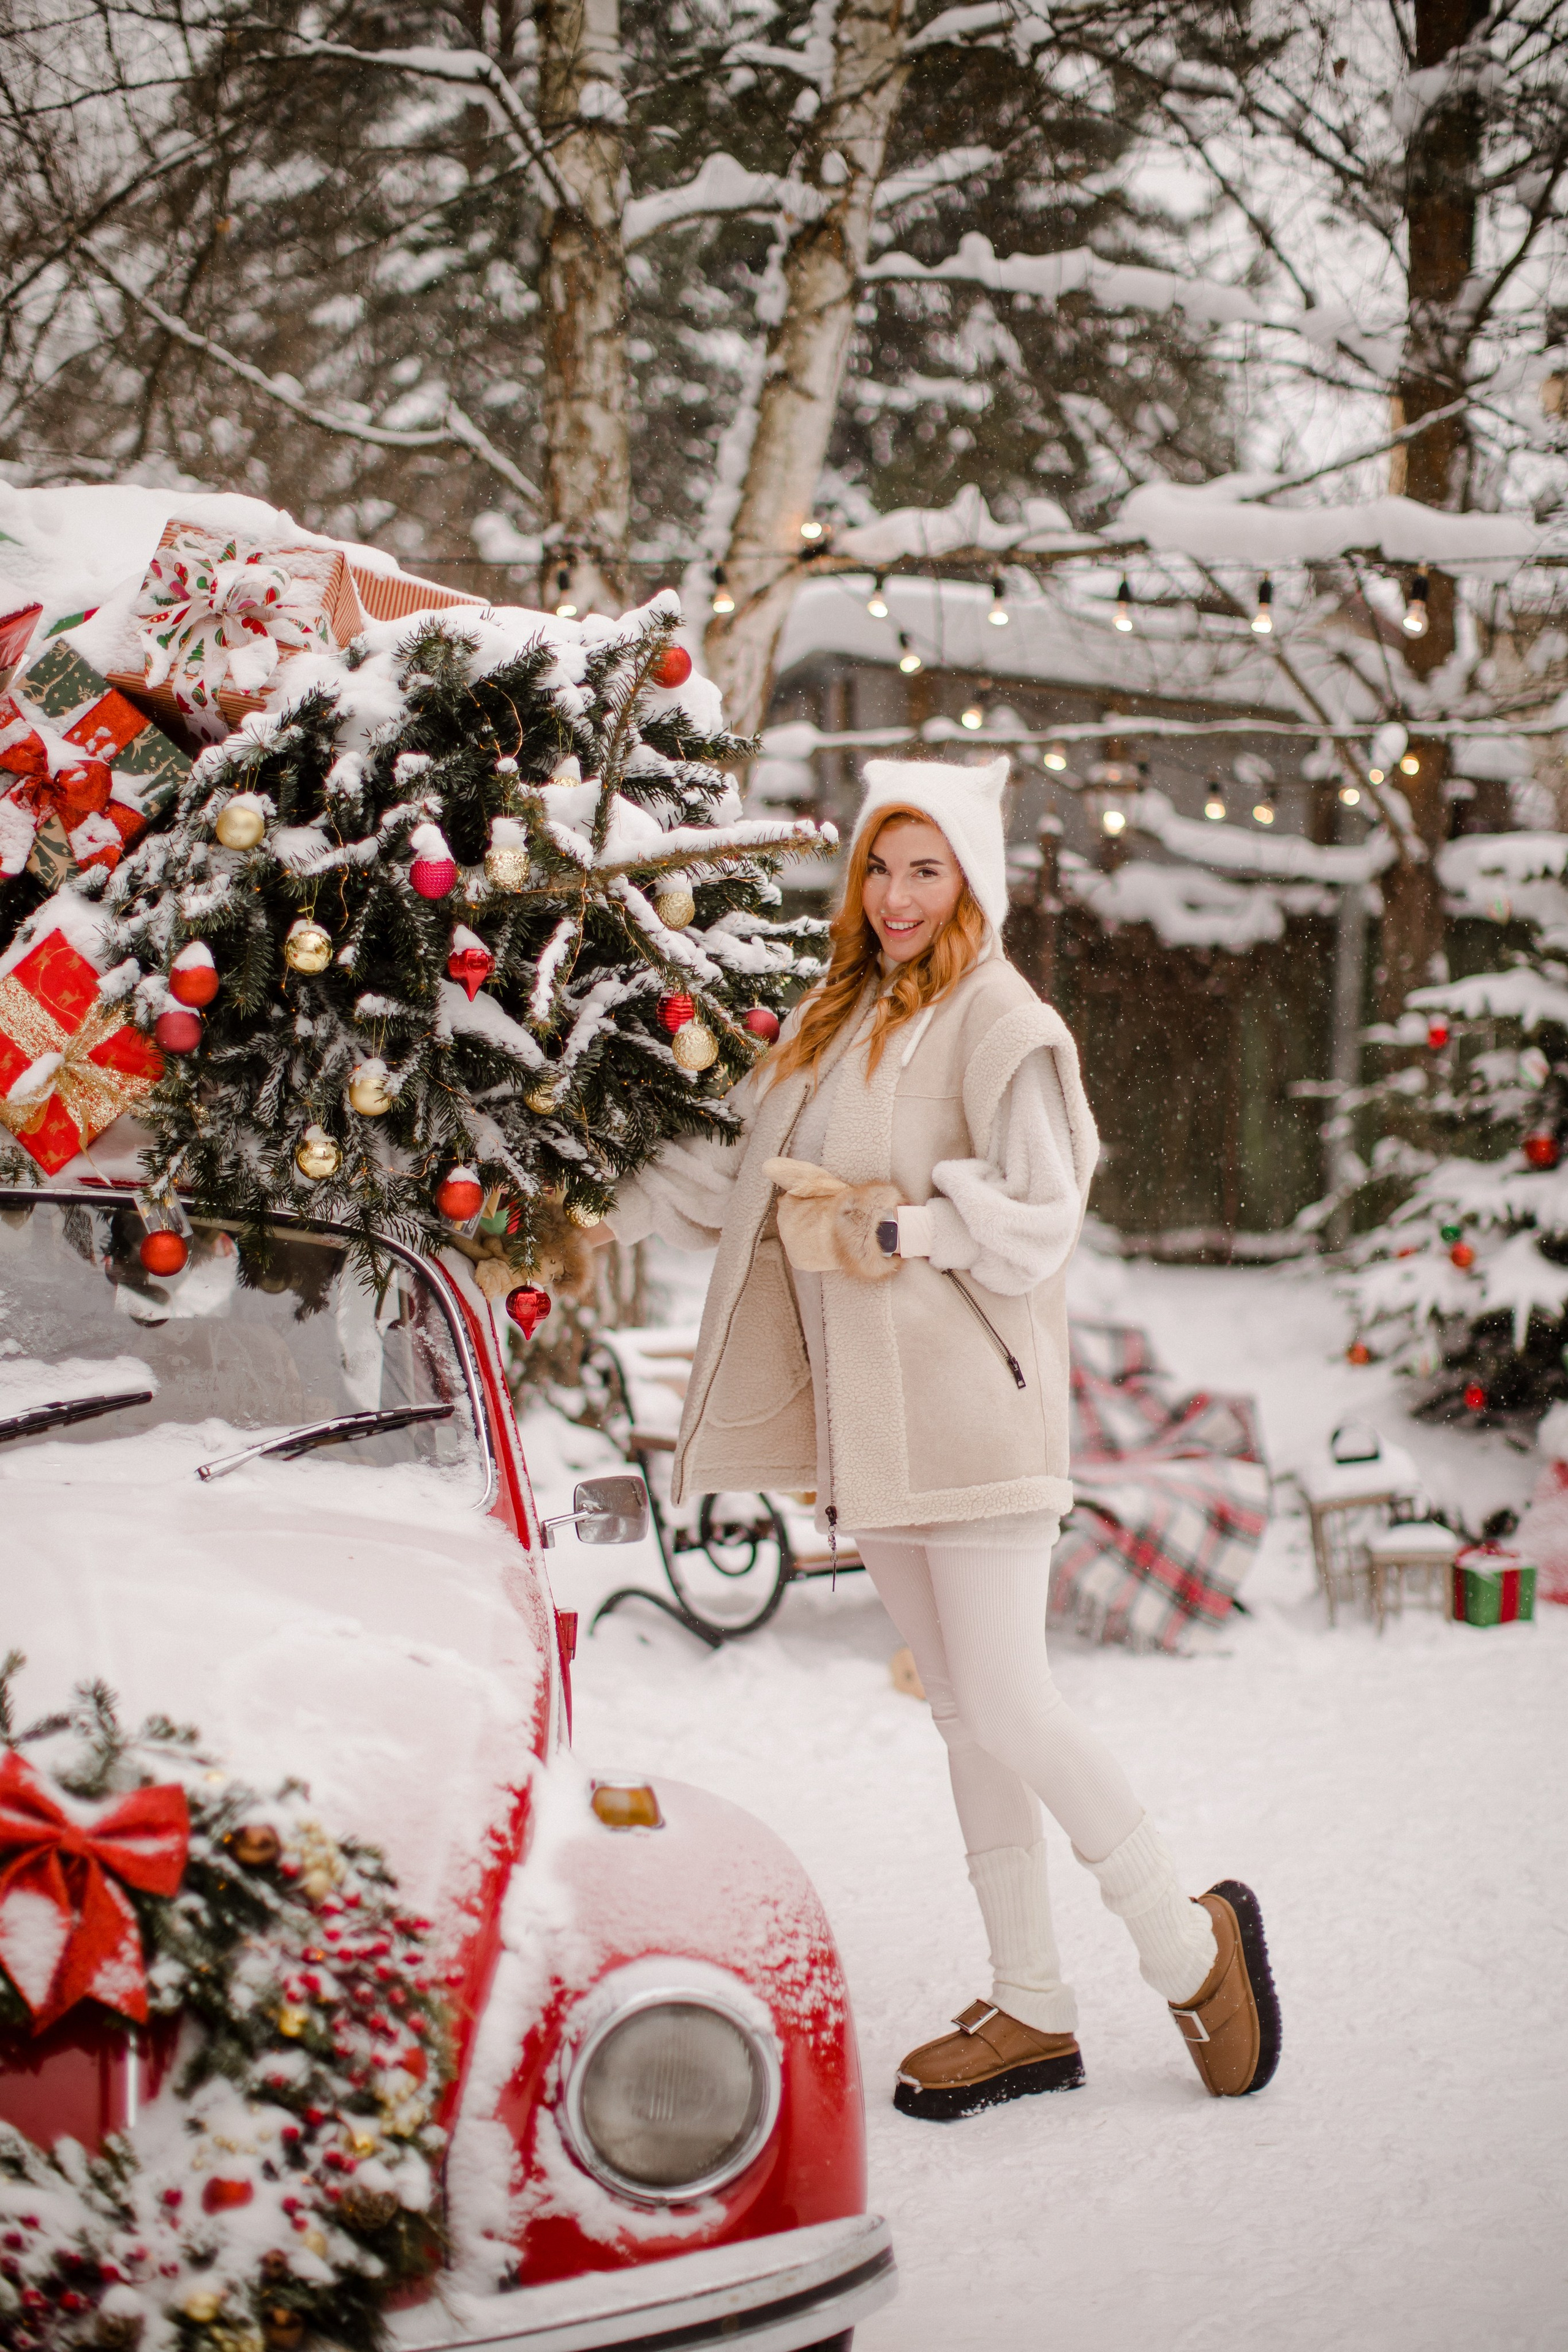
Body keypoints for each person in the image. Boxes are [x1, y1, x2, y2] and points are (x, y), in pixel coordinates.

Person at [606, 757, 1280, 2116]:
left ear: (966, 876)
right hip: (879, 1429)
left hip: (975, 1406)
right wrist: (586, 1166)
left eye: (926, 868)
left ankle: (1183, 1939)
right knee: (962, 1709)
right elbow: (735, 1184)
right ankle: (1029, 1999)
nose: (898, 894)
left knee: (1010, 1702)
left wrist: (891, 1224)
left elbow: (1042, 1206)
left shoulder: (999, 1019)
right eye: (878, 867)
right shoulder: (828, 1014)